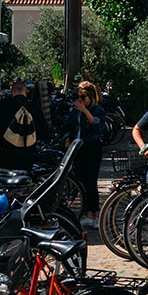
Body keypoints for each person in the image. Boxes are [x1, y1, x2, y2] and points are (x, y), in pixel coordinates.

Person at [64, 80, 106, 230]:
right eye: (79, 97)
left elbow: (97, 124)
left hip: (92, 147)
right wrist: (67, 138)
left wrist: (84, 110)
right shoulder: (76, 110)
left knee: (91, 181)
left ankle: (94, 214)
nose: (80, 100)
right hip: (79, 147)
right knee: (82, 181)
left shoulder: (97, 109)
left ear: (91, 97)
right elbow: (70, 125)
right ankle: (89, 213)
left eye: (84, 97)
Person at [0, 80, 48, 171]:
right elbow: (44, 133)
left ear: (12, 92)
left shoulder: (4, 105)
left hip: (4, 152)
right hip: (27, 153)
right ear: (26, 92)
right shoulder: (34, 107)